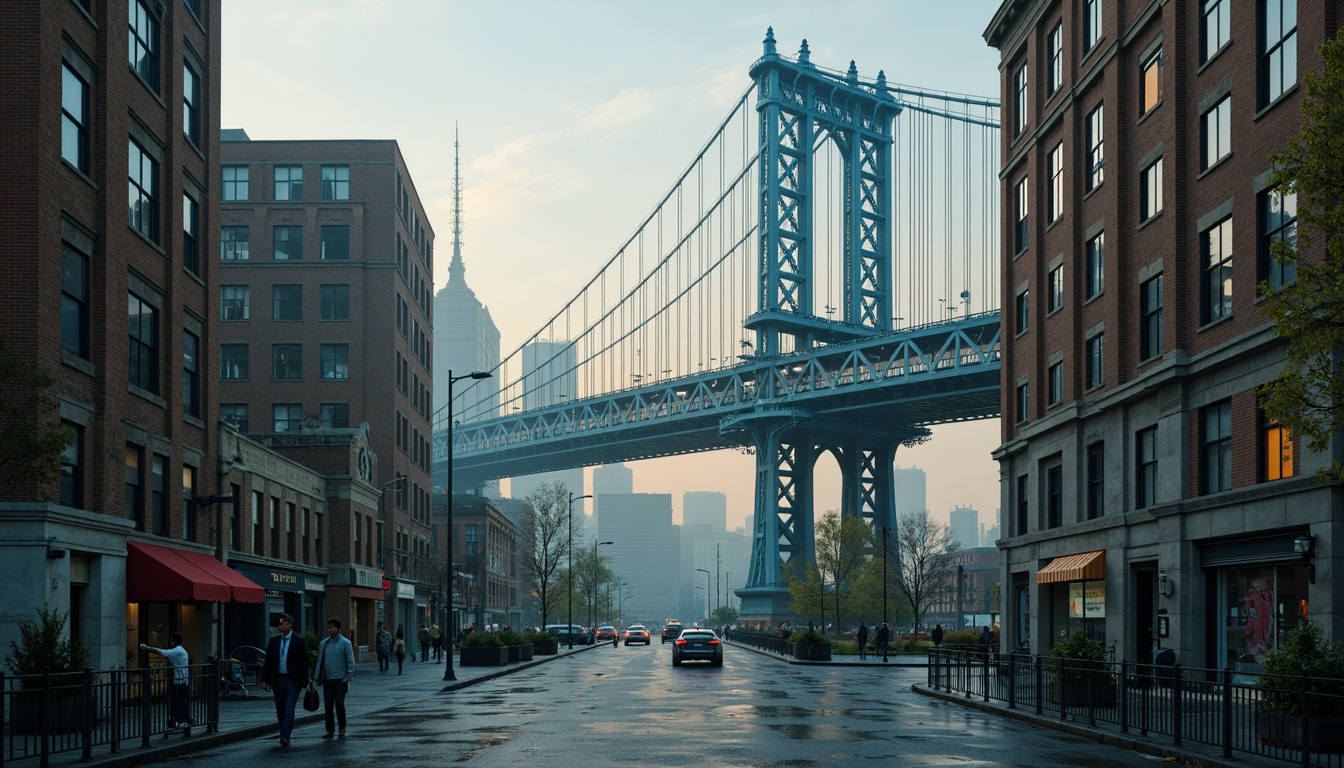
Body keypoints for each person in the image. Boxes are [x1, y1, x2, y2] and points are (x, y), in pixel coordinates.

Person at [259, 613, 309, 747]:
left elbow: (305, 662)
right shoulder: (274, 641)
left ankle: (285, 736)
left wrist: (305, 680)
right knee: (280, 709)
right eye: (280, 624)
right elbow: (268, 661)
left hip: (293, 680)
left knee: (289, 708)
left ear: (290, 625)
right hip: (277, 680)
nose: (281, 626)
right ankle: (284, 732)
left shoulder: (299, 641)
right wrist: (264, 679)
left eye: (284, 624)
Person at [140, 632, 191, 736]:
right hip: (181, 680)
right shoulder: (181, 650)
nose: (170, 642)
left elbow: (163, 652)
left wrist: (147, 648)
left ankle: (182, 721)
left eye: (171, 640)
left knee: (179, 701)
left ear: (174, 641)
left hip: (180, 680)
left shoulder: (178, 651)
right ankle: (182, 721)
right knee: (179, 701)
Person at [315, 618, 355, 739]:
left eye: (331, 626)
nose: (329, 629)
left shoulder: (345, 643)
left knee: (339, 703)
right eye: (328, 626)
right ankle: (330, 730)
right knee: (328, 705)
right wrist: (317, 676)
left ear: (337, 628)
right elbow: (320, 661)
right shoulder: (324, 643)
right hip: (328, 679)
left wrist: (348, 677)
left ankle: (342, 727)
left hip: (340, 680)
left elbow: (350, 661)